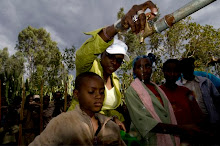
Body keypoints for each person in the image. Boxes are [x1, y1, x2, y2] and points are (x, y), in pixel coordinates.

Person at [68, 0, 158, 130]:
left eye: (119, 60)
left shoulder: (115, 81)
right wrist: (118, 26)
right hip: (78, 128)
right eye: (111, 56)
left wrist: (115, 118)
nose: (115, 62)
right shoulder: (88, 69)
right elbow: (83, 54)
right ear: (102, 53)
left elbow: (107, 110)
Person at [125, 55, 211, 146]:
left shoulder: (159, 90)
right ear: (134, 70)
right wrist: (181, 129)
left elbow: (198, 117)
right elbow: (144, 122)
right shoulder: (134, 92)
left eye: (147, 66)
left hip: (182, 138)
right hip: (153, 139)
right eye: (140, 67)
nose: (144, 70)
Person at [29, 72, 125, 145]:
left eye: (101, 92)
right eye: (91, 92)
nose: (98, 96)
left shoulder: (111, 126)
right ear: (76, 94)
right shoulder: (62, 123)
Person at [176, 57, 220, 124]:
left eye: (190, 66)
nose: (189, 69)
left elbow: (217, 98)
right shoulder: (178, 86)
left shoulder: (205, 81)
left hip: (208, 121)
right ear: (181, 70)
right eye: (186, 67)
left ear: (193, 67)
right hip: (190, 123)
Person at [160, 59, 204, 125]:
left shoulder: (187, 92)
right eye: (168, 71)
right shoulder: (157, 92)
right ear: (163, 72)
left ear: (180, 73)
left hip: (187, 133)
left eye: (175, 71)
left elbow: (197, 115)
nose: (172, 74)